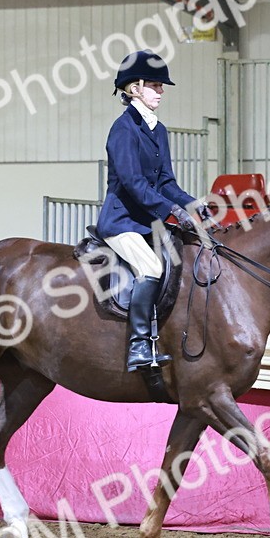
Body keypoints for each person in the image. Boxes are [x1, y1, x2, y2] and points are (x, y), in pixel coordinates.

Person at [96, 49, 211, 373]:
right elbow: (133, 183)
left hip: (148, 221)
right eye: (155, 85)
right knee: (150, 268)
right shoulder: (123, 129)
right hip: (122, 222)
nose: (160, 91)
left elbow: (166, 182)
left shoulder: (158, 130)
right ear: (134, 88)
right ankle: (137, 346)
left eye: (161, 87)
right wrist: (171, 209)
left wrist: (193, 205)